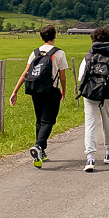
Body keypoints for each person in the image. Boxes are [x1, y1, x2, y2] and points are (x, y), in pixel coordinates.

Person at [9, 25, 68, 168]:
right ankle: (38, 146)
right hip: (51, 90)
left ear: (41, 38)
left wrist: (15, 91)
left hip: (35, 89)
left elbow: (25, 73)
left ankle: (40, 153)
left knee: (39, 120)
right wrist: (64, 91)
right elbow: (63, 77)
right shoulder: (59, 53)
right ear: (55, 37)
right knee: (48, 121)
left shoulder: (35, 52)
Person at [79, 26, 109, 171]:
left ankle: (90, 158)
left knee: (90, 124)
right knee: (108, 122)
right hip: (108, 93)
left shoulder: (89, 54)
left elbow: (82, 76)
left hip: (90, 93)